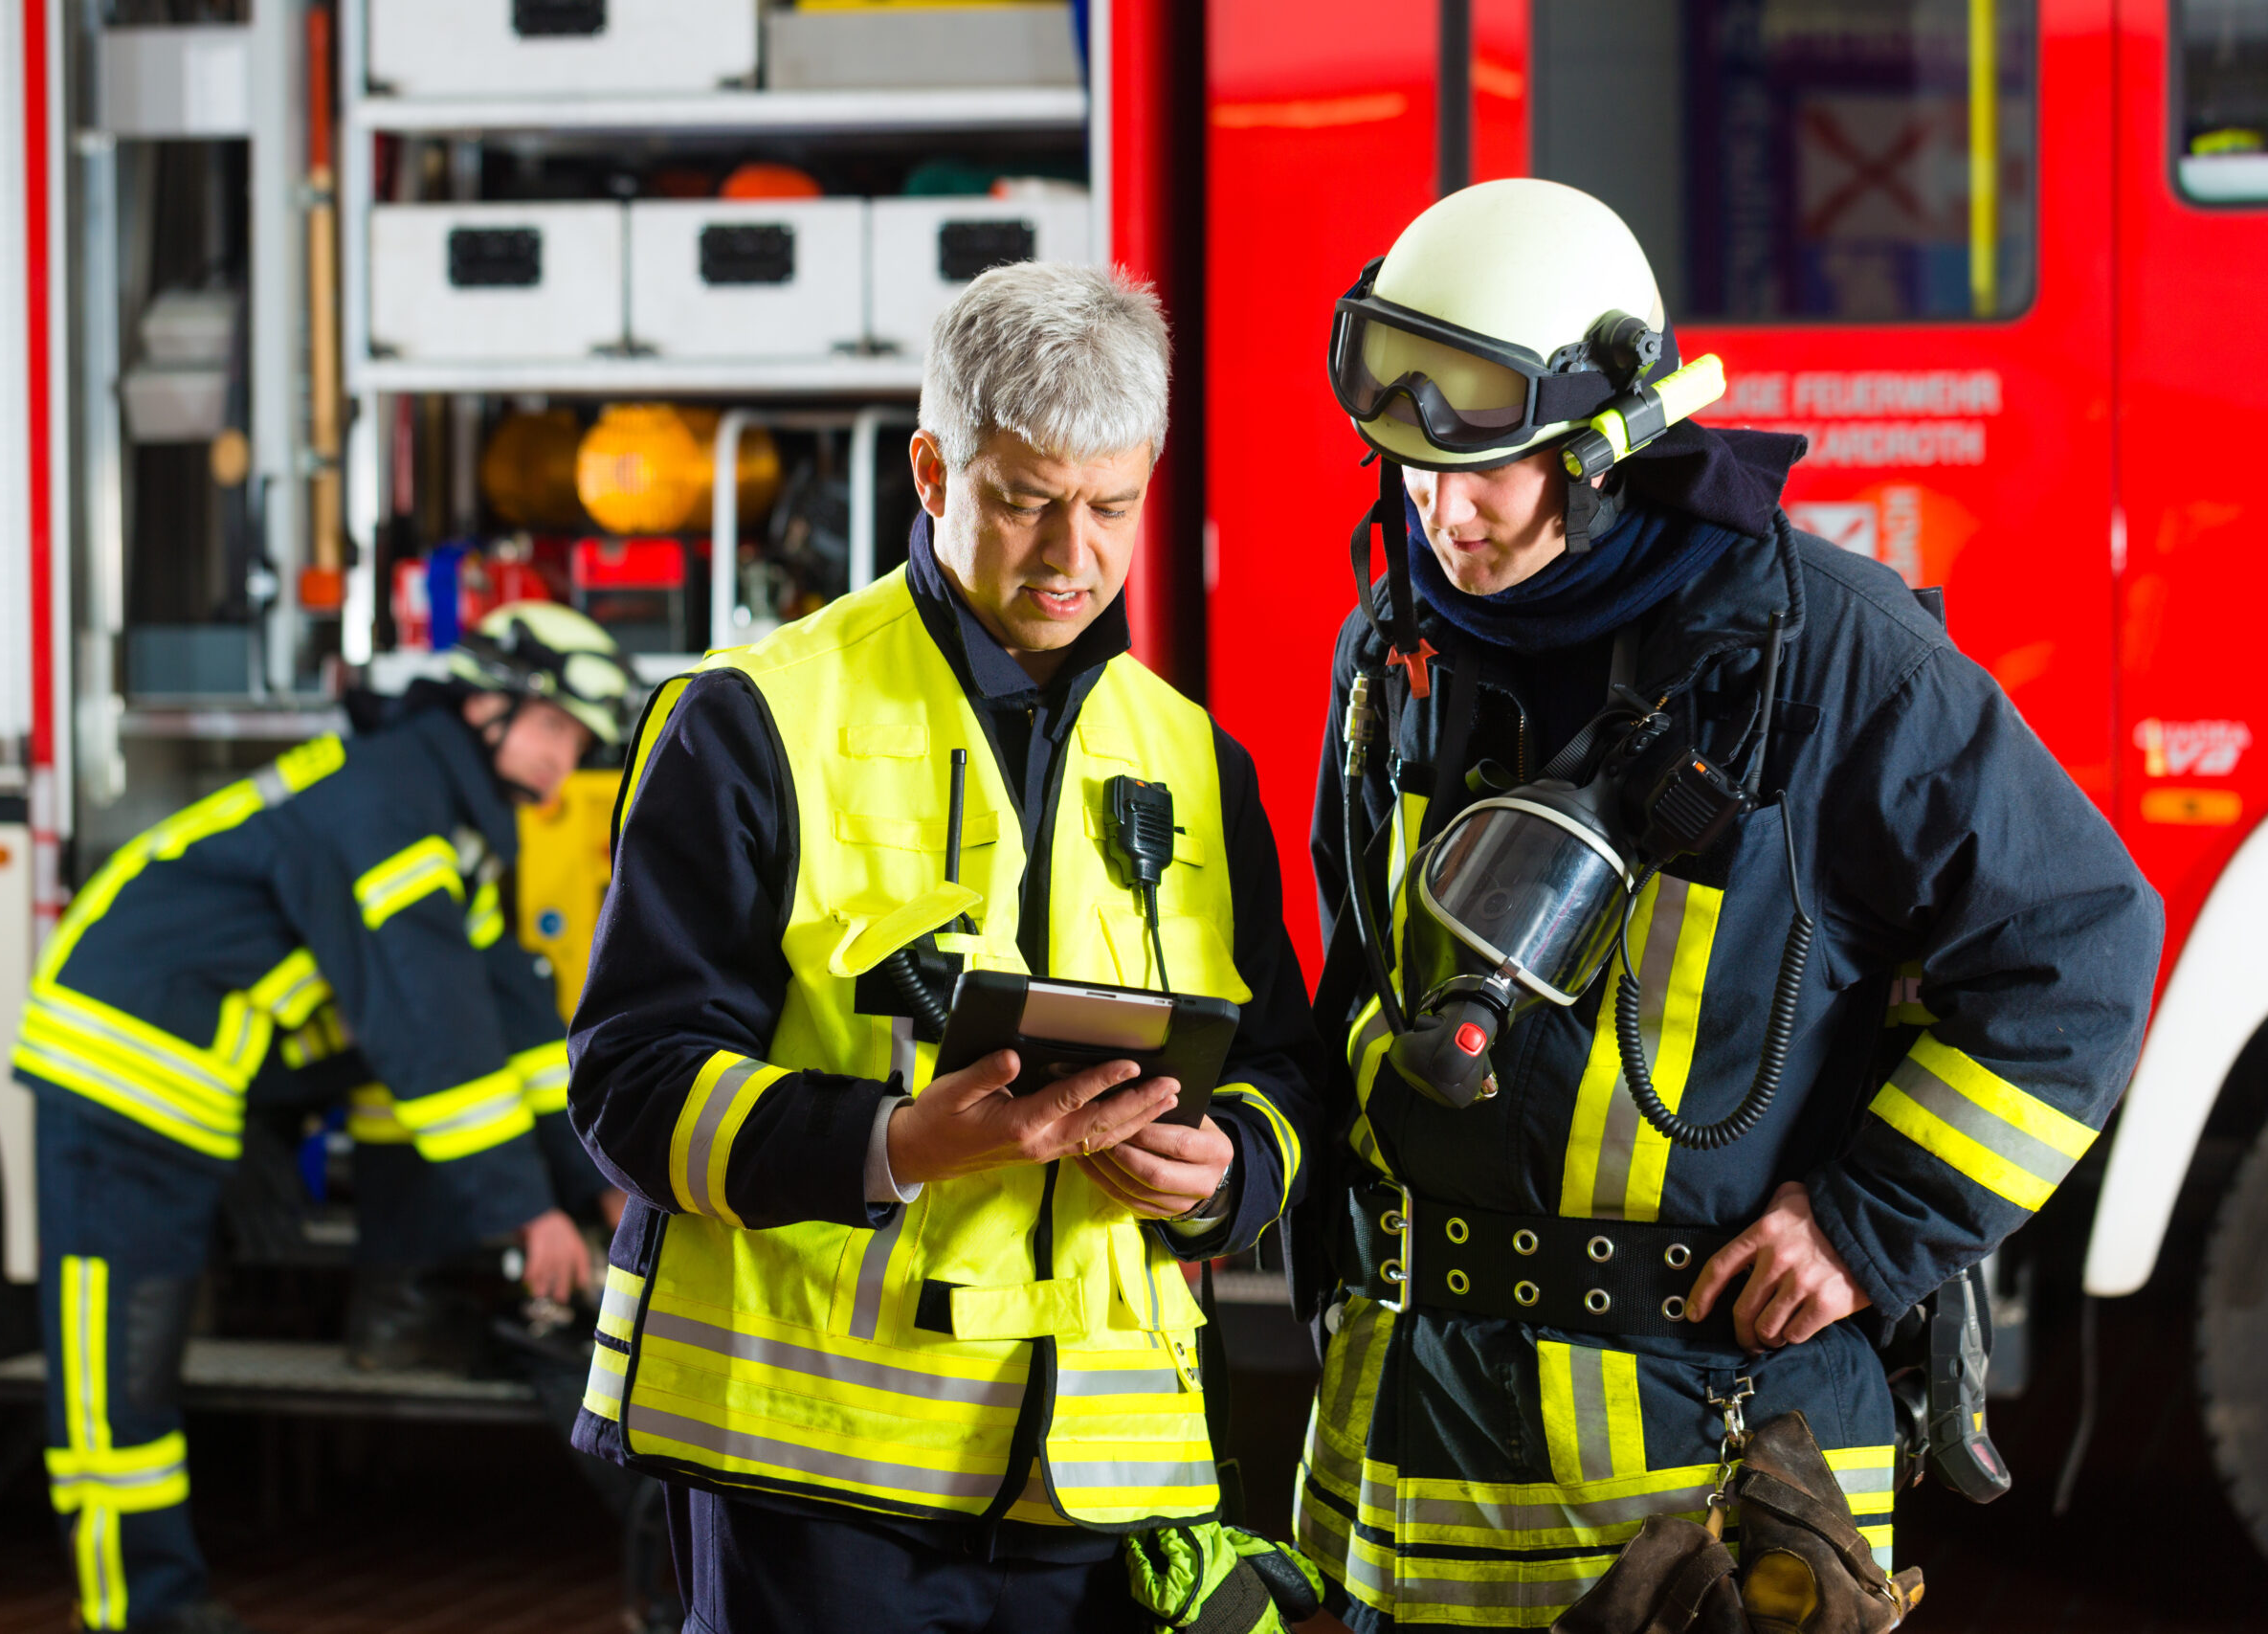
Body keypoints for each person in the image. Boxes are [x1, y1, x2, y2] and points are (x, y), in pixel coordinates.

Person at [1291, 178, 2166, 1629]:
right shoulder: (1394, 650)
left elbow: (2079, 944)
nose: (1444, 513)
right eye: (1412, 469)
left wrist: (1870, 1226)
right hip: (1417, 1474)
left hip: (1712, 1479)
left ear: (1607, 442)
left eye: (1491, 468)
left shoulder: (1825, 653)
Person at [565, 261, 1325, 1634]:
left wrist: (1226, 1172)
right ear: (931, 471)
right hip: (812, 1476)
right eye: (1027, 500)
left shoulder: (1195, 759)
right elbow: (630, 1083)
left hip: (1100, 1488)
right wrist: (898, 1143)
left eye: (1110, 507)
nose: (1071, 556)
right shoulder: (749, 721)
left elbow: (1281, 1069)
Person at [16, 602, 632, 1634]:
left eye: (580, 743)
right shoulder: (396, 808)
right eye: (556, 729)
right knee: (119, 1380)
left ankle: (158, 1597)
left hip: (200, 1076)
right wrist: (528, 1215)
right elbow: (436, 1041)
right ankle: (137, 1611)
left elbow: (513, 1023)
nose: (565, 764)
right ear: (484, 705)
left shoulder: (447, 817)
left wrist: (600, 1182)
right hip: (121, 1075)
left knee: (141, 1368)